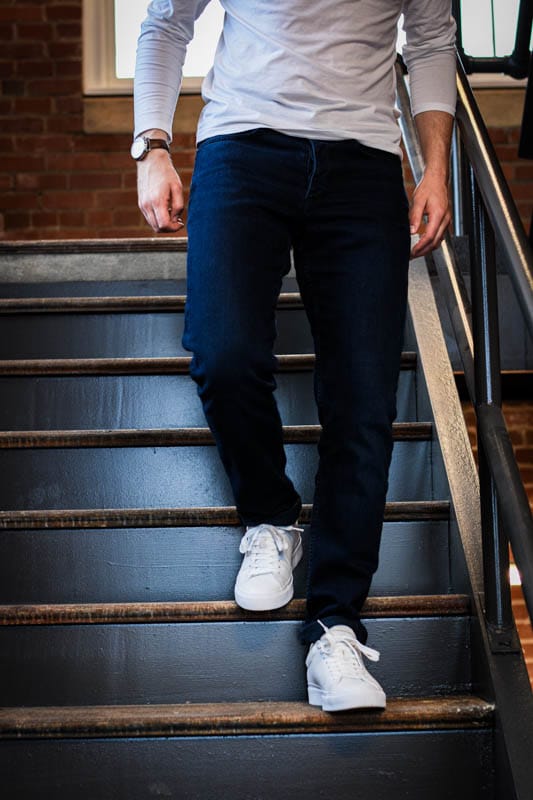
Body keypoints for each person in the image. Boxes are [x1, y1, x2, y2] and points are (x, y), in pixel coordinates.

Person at [133, 0, 456, 712]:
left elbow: (431, 37)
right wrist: (151, 146)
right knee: (222, 350)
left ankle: (334, 626)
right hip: (241, 146)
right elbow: (165, 23)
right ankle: (271, 519)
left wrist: (435, 168)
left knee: (365, 400)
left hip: (364, 161)